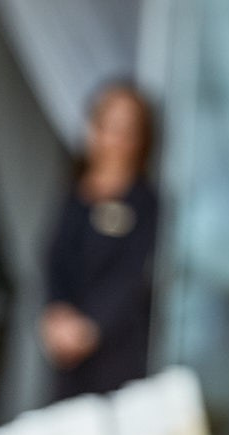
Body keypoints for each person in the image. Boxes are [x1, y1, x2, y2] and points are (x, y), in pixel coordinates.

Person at [41, 80, 160, 399]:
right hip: (68, 354)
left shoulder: (145, 204)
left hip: (118, 353)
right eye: (108, 127)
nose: (114, 140)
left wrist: (91, 327)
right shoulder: (74, 196)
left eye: (126, 130)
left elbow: (135, 274)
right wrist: (56, 313)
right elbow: (55, 261)